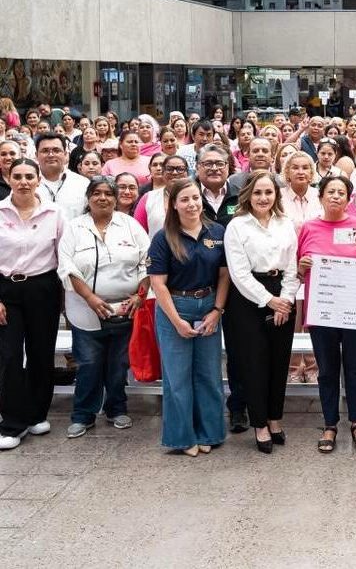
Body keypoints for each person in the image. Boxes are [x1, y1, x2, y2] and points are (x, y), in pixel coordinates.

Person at [59, 177, 149, 438]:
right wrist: (90, 298)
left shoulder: (130, 225)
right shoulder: (75, 228)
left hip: (125, 309)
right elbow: (66, 267)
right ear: (88, 198)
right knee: (88, 364)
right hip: (85, 310)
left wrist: (140, 296)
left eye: (108, 193)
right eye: (96, 193)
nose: (103, 198)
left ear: (115, 198)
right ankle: (83, 415)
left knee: (118, 365)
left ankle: (116, 409)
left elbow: (147, 262)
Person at [147, 178, 230, 456]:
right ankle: (182, 438)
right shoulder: (163, 238)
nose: (192, 204)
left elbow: (224, 275)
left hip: (208, 305)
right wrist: (176, 321)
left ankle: (210, 432)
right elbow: (158, 284)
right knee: (177, 378)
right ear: (174, 204)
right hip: (175, 306)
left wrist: (217, 310)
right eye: (184, 199)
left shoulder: (217, 232)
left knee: (209, 374)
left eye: (195, 198)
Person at [223, 171, 300, 454]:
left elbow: (292, 266)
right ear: (248, 195)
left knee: (279, 361)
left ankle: (274, 418)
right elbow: (239, 274)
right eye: (257, 192)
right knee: (254, 364)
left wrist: (285, 299)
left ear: (276, 195)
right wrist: (269, 301)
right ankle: (259, 424)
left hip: (282, 292)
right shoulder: (237, 226)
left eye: (268, 192)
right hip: (248, 298)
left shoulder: (285, 223)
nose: (263, 198)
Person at [297, 175, 356, 453]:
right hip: (322, 311)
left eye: (341, 192)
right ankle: (329, 424)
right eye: (331, 192)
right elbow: (297, 270)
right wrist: (302, 267)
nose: (336, 196)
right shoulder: (309, 227)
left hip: (353, 310)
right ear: (321, 197)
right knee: (327, 369)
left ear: (348, 198)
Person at [0, 159, 65, 450]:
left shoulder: (54, 213)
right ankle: (13, 422)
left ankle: (37, 414)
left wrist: (65, 296)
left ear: (38, 180)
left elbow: (63, 255)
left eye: (29, 176)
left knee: (41, 353)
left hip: (43, 287)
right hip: (6, 289)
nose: (23, 182)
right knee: (10, 356)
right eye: (18, 176)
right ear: (8, 179)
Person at [34, 132, 88, 218]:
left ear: (65, 154)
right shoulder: (26, 184)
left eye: (56, 150)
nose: (51, 155)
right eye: (45, 151)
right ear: (36, 155)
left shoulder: (82, 183)